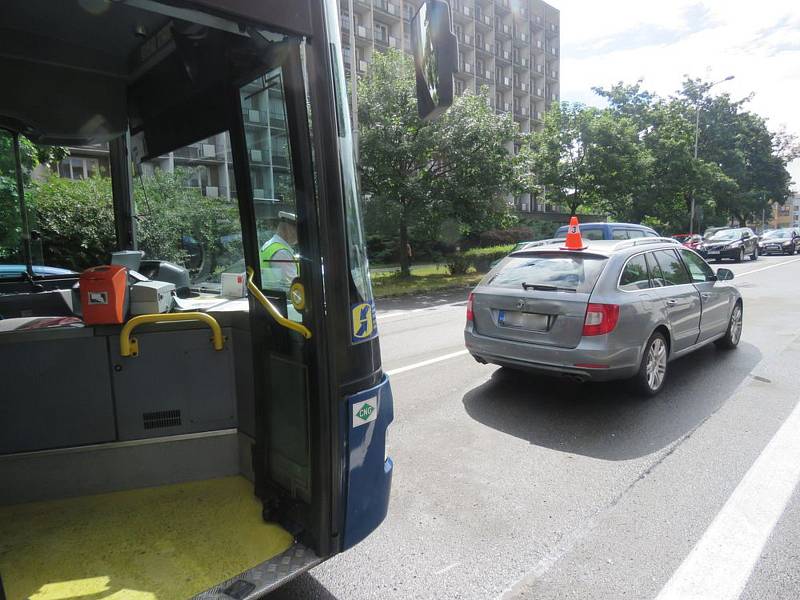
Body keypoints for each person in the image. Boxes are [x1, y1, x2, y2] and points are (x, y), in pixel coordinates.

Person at [260, 211, 299, 291]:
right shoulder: (282, 252)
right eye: (298, 231)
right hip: (280, 300)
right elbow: (292, 287)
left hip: (271, 297)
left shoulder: (269, 245)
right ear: (289, 230)